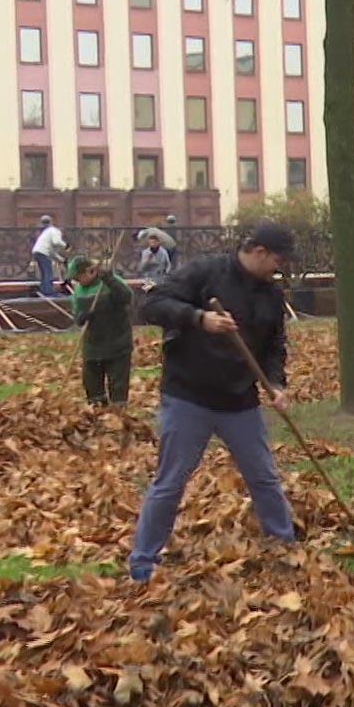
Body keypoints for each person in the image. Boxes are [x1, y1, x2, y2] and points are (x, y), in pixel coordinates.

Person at [128, 224, 299, 583]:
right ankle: (143, 561)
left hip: (240, 401)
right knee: (171, 481)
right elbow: (153, 304)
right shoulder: (205, 272)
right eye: (276, 261)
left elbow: (273, 346)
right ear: (258, 250)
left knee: (264, 477)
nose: (276, 269)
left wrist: (275, 383)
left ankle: (284, 546)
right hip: (189, 395)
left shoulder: (270, 294)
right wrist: (198, 319)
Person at [67, 257, 134, 406]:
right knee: (91, 381)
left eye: (79, 277)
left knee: (118, 381)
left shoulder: (110, 282)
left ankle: (118, 412)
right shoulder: (78, 290)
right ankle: (97, 409)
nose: (77, 281)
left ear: (89, 272)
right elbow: (76, 314)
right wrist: (81, 317)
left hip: (118, 340)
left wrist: (110, 280)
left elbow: (127, 297)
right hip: (93, 343)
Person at [31, 215, 68, 298]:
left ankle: (44, 290)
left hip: (37, 252)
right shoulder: (55, 230)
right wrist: (66, 246)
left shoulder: (47, 233)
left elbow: (52, 252)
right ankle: (48, 292)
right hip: (43, 253)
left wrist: (62, 260)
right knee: (48, 272)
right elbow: (56, 242)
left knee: (44, 273)